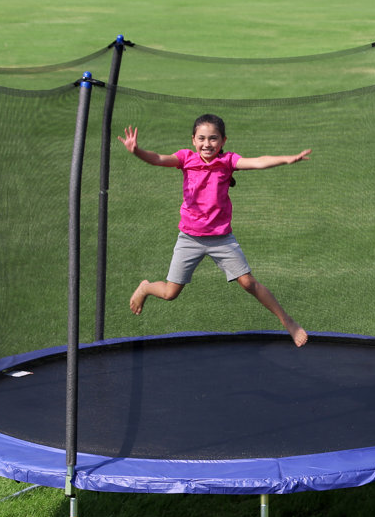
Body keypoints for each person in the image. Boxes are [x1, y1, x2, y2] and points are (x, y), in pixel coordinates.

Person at [117, 114, 311, 347]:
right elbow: (158, 158)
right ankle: (146, 287)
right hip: (189, 238)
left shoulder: (228, 161)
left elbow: (258, 161)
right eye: (201, 138)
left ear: (223, 141)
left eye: (213, 139)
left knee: (249, 283)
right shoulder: (185, 158)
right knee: (170, 293)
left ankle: (288, 322)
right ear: (193, 140)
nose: (207, 144)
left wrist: (287, 159)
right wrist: (136, 151)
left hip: (221, 239)